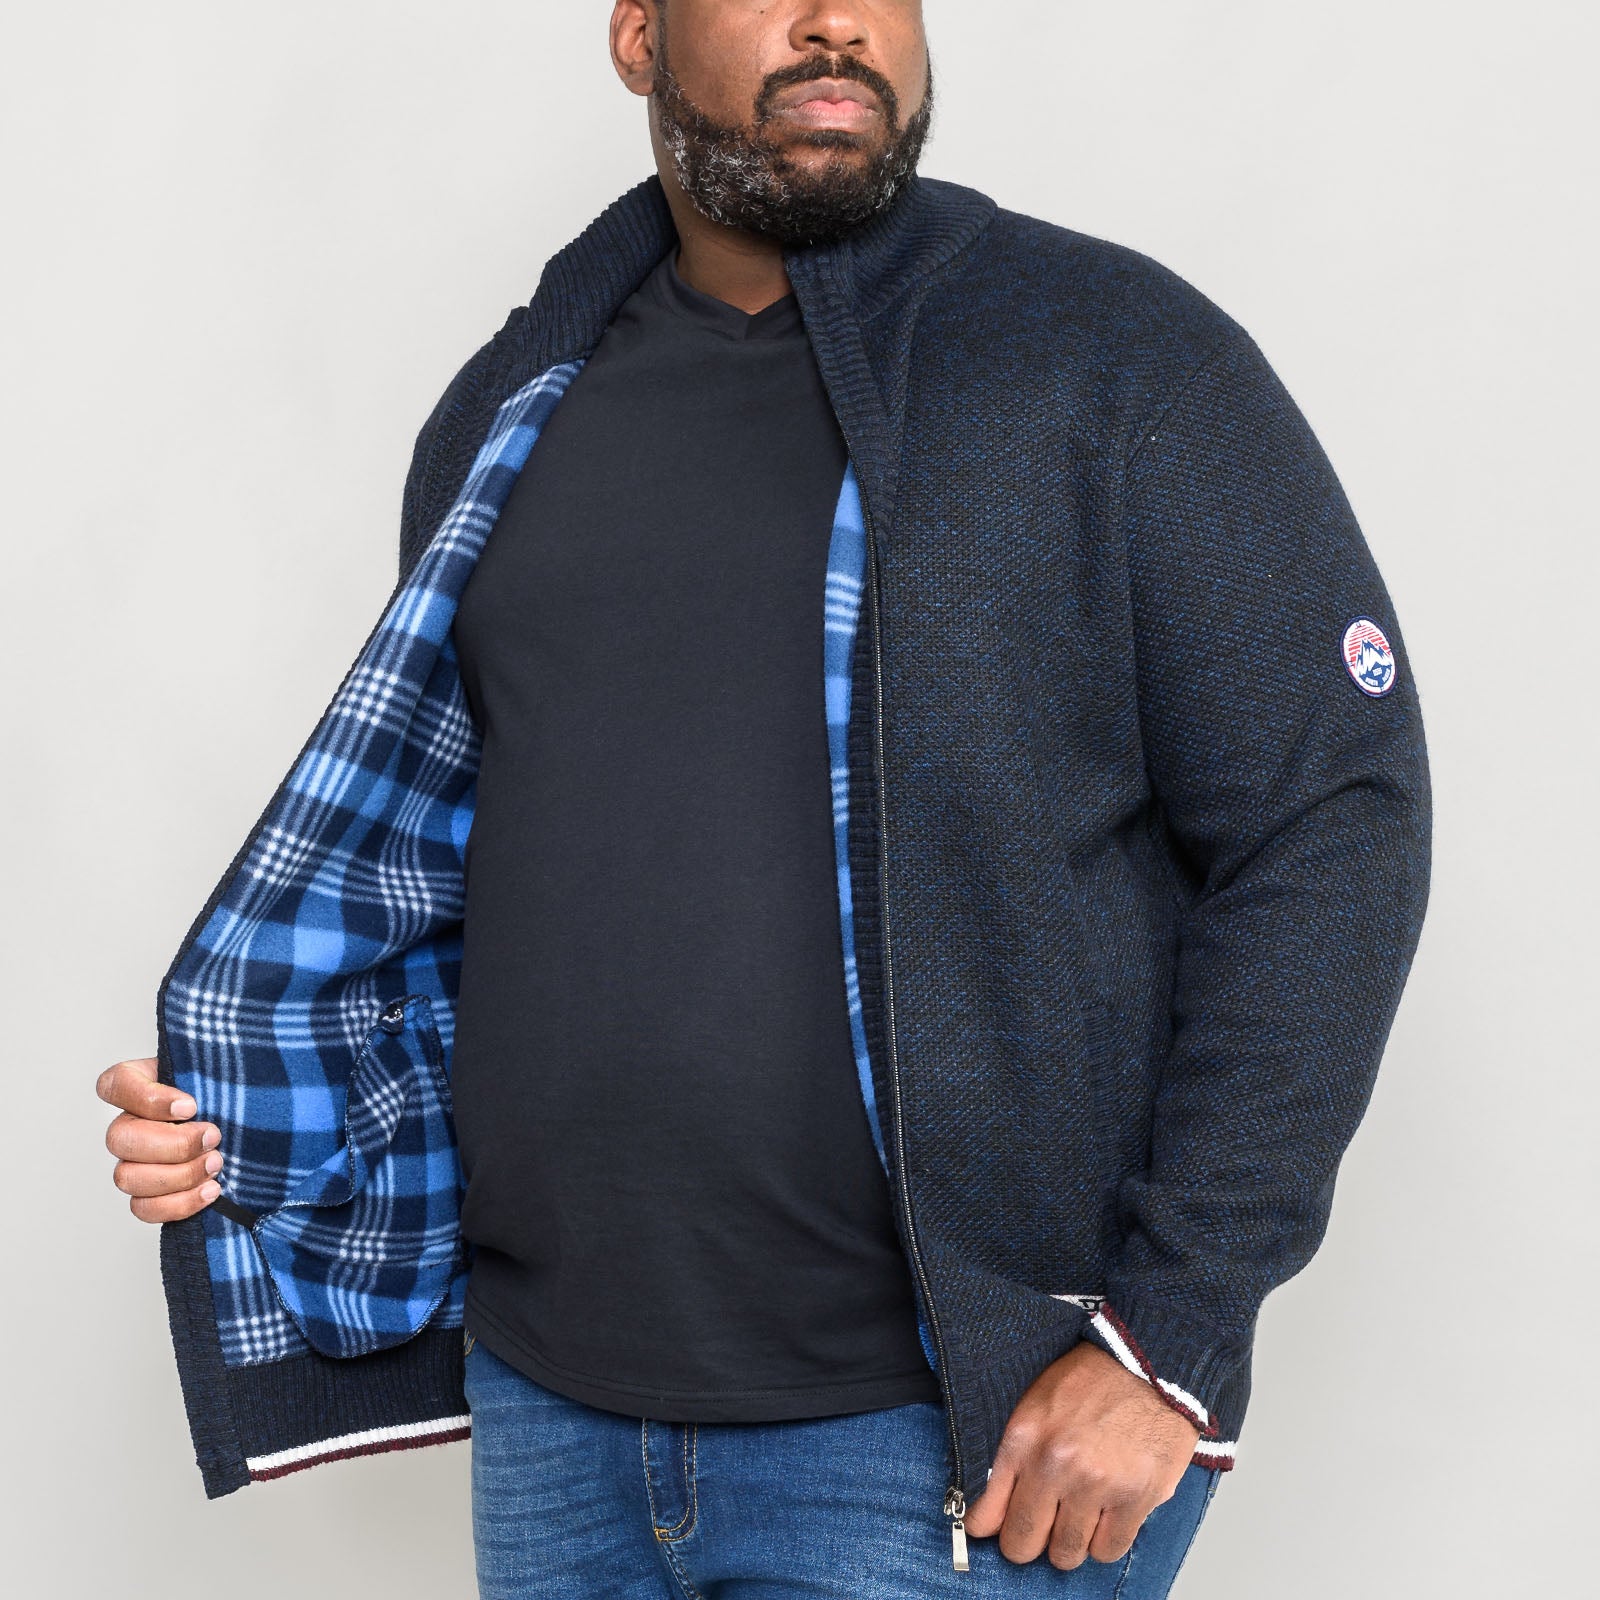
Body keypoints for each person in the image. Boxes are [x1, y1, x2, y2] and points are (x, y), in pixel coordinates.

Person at [95, 3, 1432, 1595]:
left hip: (944, 1447)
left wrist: (1172, 1338)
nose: (837, 21)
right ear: (637, 35)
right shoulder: (511, 412)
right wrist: (260, 1121)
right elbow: (469, 892)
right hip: (552, 1419)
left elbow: (1330, 821)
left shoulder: (1112, 357)